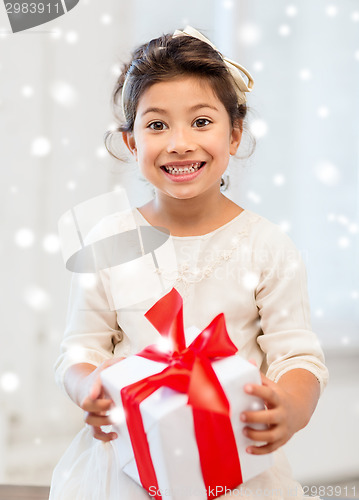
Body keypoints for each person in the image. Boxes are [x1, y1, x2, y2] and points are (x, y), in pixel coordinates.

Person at [49, 26, 329, 500]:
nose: (180, 143)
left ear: (235, 133)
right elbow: (79, 349)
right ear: (132, 143)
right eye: (157, 125)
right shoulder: (110, 241)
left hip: (234, 463)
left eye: (201, 122)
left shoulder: (266, 246)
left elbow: (297, 356)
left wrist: (291, 405)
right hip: (128, 463)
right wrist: (88, 387)